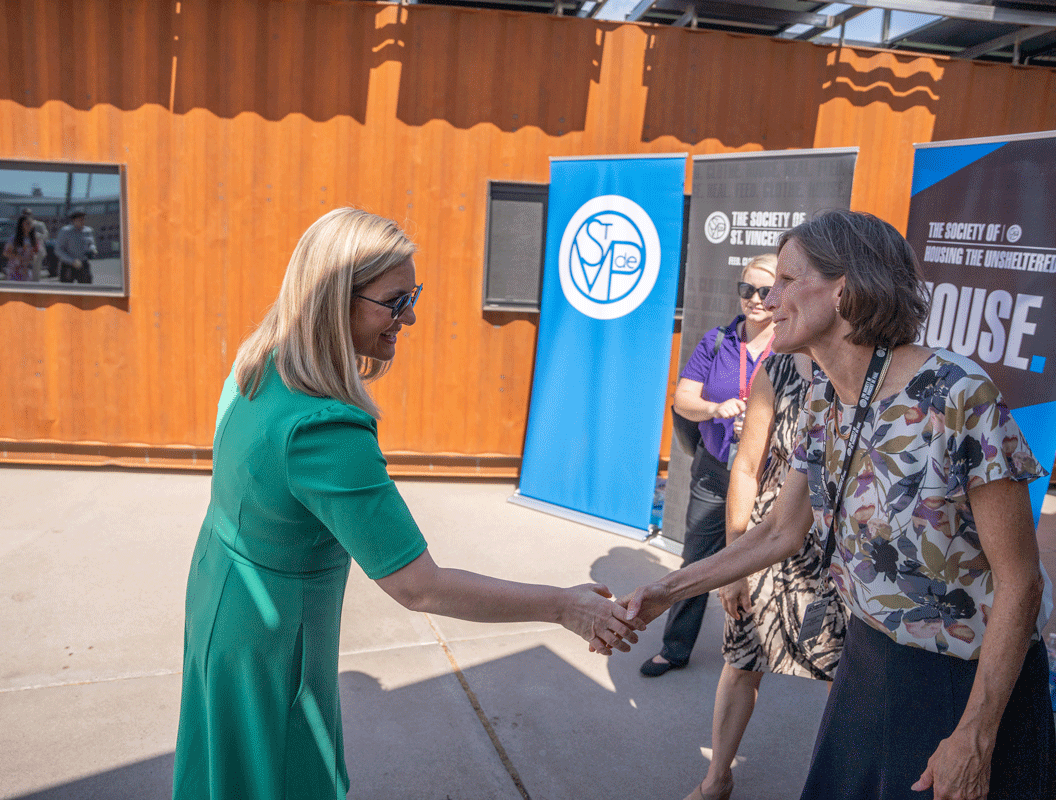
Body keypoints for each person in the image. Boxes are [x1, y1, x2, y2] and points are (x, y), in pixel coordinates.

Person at [172, 208, 642, 800]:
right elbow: (420, 586)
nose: (411, 315)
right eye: (396, 301)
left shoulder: (261, 360)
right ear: (334, 299)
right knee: (284, 776)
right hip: (273, 641)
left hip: (223, 601)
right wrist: (563, 607)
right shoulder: (324, 428)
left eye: (412, 294)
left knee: (228, 773)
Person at [624, 210, 1055, 800]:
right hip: (868, 664)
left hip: (961, 685)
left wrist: (976, 736)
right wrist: (667, 592)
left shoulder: (959, 396)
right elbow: (780, 531)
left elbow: (1021, 583)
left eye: (787, 279)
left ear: (845, 289)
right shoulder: (826, 397)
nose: (769, 298)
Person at [684, 346, 847, 800]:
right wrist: (733, 565)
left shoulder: (874, 369)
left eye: (789, 284)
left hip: (844, 555)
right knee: (741, 662)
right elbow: (747, 467)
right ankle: (717, 779)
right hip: (767, 545)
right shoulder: (776, 369)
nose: (774, 299)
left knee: (849, 682)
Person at [640, 255, 777, 677]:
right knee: (698, 562)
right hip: (716, 470)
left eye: (765, 292)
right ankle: (675, 648)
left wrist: (759, 421)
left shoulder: (791, 349)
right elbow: (683, 399)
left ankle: (754, 654)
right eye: (746, 290)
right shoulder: (717, 341)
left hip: (767, 478)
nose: (754, 300)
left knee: (763, 567)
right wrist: (717, 407)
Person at [55, 208, 96, 283]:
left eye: (83, 219)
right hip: (68, 265)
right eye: (80, 220)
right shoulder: (65, 231)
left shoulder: (88, 231)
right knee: (67, 290)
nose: (82, 222)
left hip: (83, 263)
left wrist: (92, 249)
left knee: (86, 288)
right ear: (73, 221)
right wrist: (72, 261)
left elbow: (91, 243)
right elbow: (58, 250)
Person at [2, 213, 43, 282]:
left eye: (31, 224)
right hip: (14, 271)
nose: (30, 226)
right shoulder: (14, 239)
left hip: (27, 270)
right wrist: (18, 257)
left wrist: (32, 257)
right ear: (21, 225)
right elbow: (5, 253)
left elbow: (36, 252)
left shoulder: (34, 239)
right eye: (27, 223)